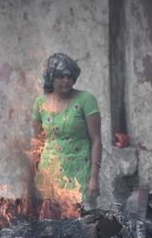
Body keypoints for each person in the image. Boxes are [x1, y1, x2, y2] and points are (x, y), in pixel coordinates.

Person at [31, 52, 102, 209]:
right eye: (61, 76)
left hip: (80, 172)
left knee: (83, 222)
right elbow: (37, 141)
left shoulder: (86, 100)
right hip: (49, 173)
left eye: (70, 76)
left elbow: (96, 140)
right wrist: (33, 173)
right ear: (51, 78)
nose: (66, 81)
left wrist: (94, 177)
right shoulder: (40, 103)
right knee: (52, 226)